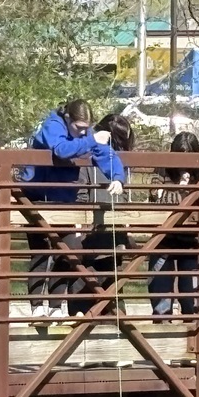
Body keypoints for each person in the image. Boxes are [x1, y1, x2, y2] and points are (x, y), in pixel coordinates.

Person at [19, 99, 125, 321]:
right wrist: (91, 140)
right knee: (41, 251)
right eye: (79, 128)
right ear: (68, 119)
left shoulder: (86, 134)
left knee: (70, 250)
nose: (83, 132)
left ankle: (56, 306)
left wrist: (117, 177)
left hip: (64, 200)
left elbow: (105, 154)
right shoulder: (52, 125)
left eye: (87, 128)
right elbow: (61, 150)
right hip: (38, 197)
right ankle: (38, 306)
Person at [69, 113, 136, 317]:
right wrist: (79, 228)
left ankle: (112, 316)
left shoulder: (122, 162)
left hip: (112, 230)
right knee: (87, 277)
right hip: (92, 230)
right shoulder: (88, 158)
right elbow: (80, 195)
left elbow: (125, 198)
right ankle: (84, 314)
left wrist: (126, 228)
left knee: (111, 278)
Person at [148, 131, 199, 321]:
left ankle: (194, 339)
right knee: (161, 302)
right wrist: (181, 189)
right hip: (164, 241)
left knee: (193, 301)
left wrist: (183, 189)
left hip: (192, 243)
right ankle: (162, 337)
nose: (183, 163)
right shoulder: (161, 169)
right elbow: (156, 199)